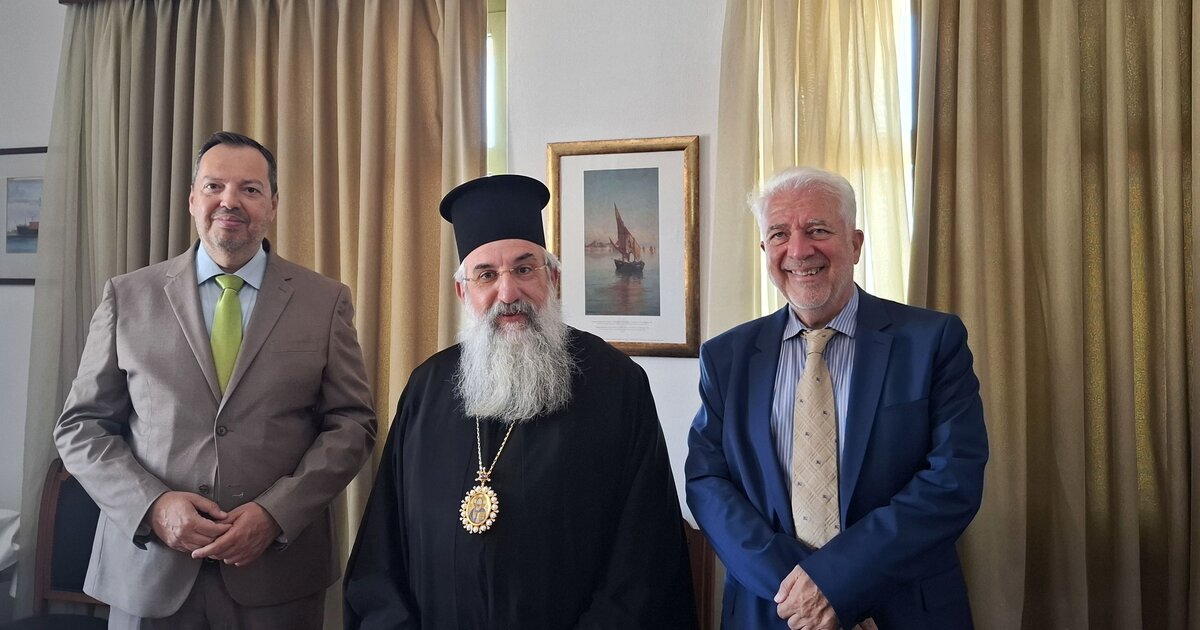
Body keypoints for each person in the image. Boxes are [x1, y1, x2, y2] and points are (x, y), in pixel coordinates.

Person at [343, 174, 697, 629]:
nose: (507, 293)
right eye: (486, 275)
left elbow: (644, 556)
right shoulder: (426, 388)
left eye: (524, 269)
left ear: (553, 278)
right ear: (464, 291)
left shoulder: (617, 385)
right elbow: (383, 548)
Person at [54, 131, 377, 629]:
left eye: (250, 189)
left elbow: (352, 424)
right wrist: (152, 507)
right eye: (214, 186)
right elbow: (81, 427)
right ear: (192, 199)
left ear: (273, 204)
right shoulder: (127, 296)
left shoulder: (324, 300)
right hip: (148, 572)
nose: (230, 201)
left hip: (276, 575)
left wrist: (277, 513)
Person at [685, 166, 988, 629]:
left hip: (899, 610)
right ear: (765, 250)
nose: (798, 250)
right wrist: (801, 592)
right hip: (770, 609)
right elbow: (708, 482)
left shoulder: (932, 341)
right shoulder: (726, 356)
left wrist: (837, 584)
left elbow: (952, 480)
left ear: (856, 244)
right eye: (779, 234)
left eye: (818, 230)